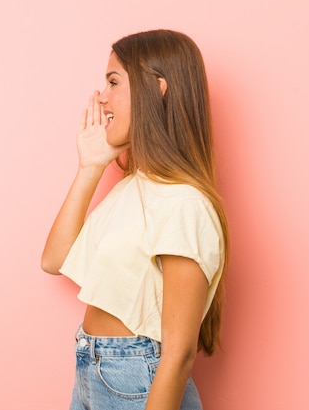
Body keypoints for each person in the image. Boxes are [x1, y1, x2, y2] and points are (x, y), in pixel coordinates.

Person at [41, 29, 229, 410]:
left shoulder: (183, 204)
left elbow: (177, 356)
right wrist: (90, 167)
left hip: (135, 378)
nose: (102, 97)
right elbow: (54, 261)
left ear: (157, 88)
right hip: (92, 370)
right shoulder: (133, 187)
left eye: (113, 82)